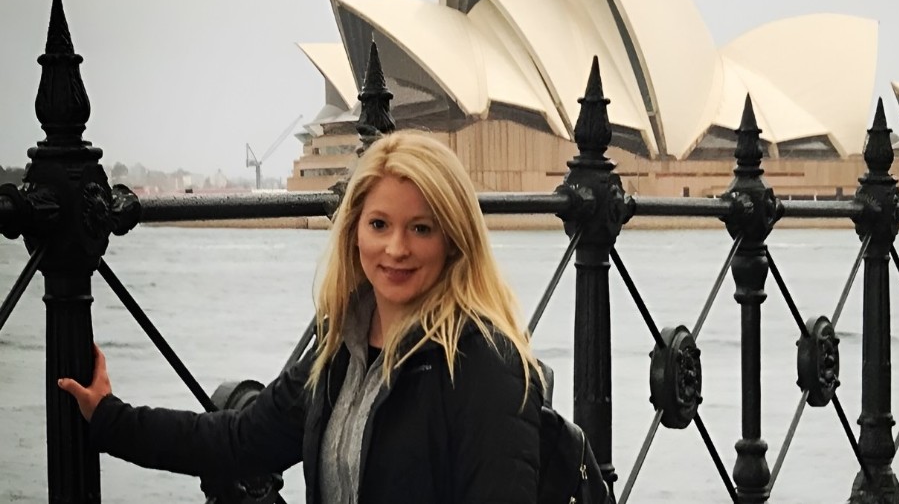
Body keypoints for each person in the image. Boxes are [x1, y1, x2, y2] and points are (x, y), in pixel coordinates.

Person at [59, 130, 545, 503]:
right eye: (379, 224)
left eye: (421, 228)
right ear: (354, 231)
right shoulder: (341, 349)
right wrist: (110, 418)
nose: (396, 248)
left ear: (454, 239)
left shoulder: (485, 363)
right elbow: (240, 440)